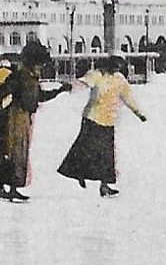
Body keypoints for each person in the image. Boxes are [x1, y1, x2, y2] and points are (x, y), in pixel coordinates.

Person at [0, 58, 70, 201]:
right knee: (15, 153)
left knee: (15, 153)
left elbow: (40, 96)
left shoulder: (29, 78)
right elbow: (0, 93)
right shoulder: (19, 77)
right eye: (38, 64)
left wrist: (60, 90)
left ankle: (8, 188)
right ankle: (9, 188)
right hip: (15, 118)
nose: (40, 68)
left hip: (22, 118)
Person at [57, 57, 148, 198]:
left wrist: (138, 113)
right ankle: (79, 173)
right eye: (114, 66)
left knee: (106, 156)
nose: (116, 69)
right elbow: (83, 82)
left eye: (119, 67)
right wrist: (70, 87)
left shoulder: (120, 80)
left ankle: (104, 186)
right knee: (85, 149)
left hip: (108, 120)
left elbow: (128, 98)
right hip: (92, 118)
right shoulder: (97, 74)